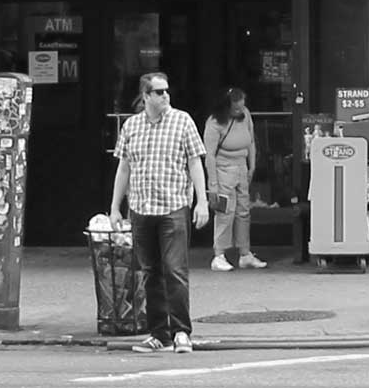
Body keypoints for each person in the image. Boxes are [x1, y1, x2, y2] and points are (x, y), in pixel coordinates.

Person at [110, 70, 211, 355]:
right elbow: (124, 167)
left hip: (172, 207)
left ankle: (181, 332)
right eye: (159, 92)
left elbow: (195, 163)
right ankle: (159, 334)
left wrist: (202, 201)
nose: (165, 95)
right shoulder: (131, 126)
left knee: (175, 270)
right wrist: (115, 207)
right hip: (141, 209)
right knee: (150, 272)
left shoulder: (183, 121)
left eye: (167, 91)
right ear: (145, 96)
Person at [201, 87, 265, 272]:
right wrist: (212, 184)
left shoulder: (245, 114)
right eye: (235, 108)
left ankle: (245, 253)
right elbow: (210, 156)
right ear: (226, 106)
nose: (240, 111)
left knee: (244, 211)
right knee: (225, 212)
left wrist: (252, 166)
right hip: (223, 169)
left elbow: (251, 141)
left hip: (241, 168)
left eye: (241, 107)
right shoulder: (214, 123)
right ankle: (219, 254)